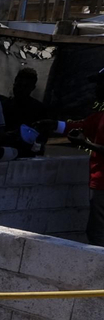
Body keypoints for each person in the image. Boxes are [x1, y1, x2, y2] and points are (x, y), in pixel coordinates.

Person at [65, 68, 104, 246]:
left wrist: (86, 144)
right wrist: (53, 125)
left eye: (100, 84)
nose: (96, 89)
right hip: (99, 185)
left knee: (98, 235)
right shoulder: (100, 117)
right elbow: (79, 126)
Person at [1, 66, 63, 156]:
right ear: (14, 83)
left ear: (32, 88)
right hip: (6, 152)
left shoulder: (39, 109)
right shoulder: (4, 106)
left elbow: (43, 136)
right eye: (19, 85)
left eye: (25, 86)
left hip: (29, 154)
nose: (20, 89)